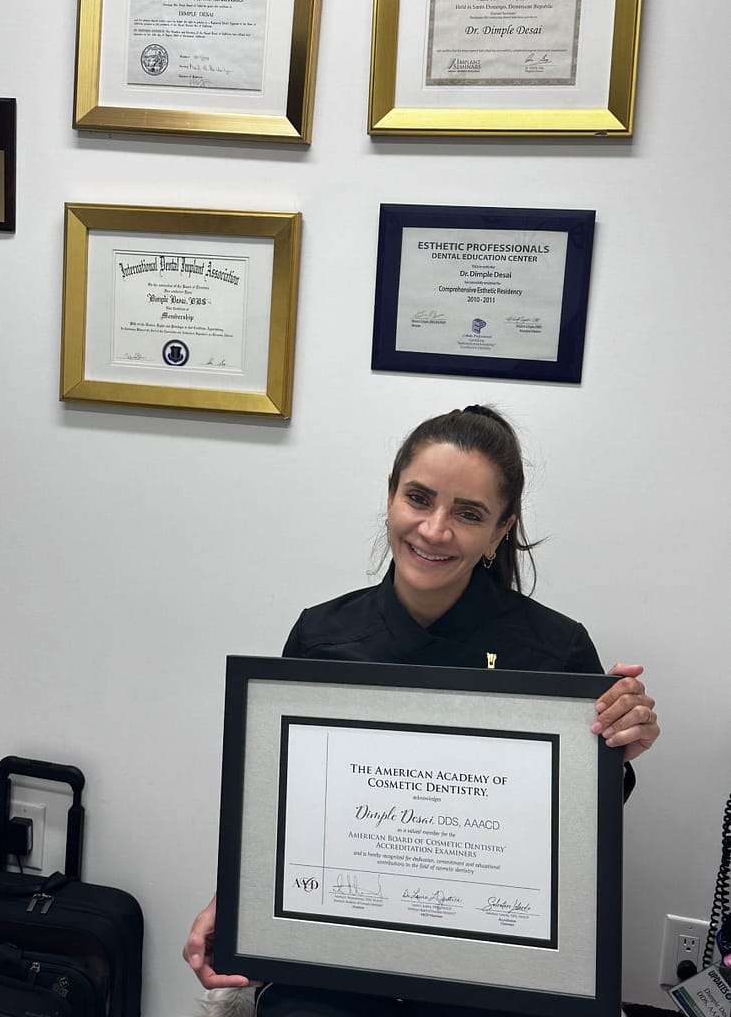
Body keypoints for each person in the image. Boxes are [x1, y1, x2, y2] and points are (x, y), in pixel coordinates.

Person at [184, 405, 660, 1016]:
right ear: (390, 497)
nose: (435, 530)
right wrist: (237, 902)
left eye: (468, 514)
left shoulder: (555, 650)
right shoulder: (322, 636)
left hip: (490, 969)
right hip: (338, 965)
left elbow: (575, 830)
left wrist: (622, 741)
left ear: (499, 531)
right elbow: (288, 812)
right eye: (419, 498)